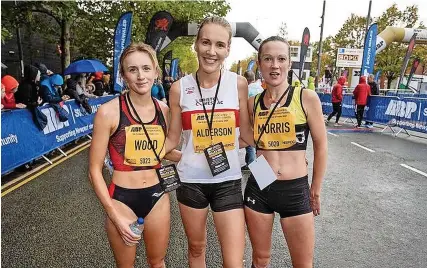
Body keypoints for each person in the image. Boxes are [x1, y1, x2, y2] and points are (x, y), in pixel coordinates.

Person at [165, 17, 253, 268]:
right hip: (191, 182)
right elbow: (173, 138)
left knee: (234, 260)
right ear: (196, 45)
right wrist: (144, 157)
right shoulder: (179, 88)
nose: (211, 51)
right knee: (196, 249)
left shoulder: (238, 84)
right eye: (205, 42)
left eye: (219, 45)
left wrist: (284, 153)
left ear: (227, 50)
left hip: (228, 181)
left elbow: (247, 136)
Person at [89, 42, 181, 268]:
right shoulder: (108, 112)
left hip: (158, 196)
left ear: (156, 71)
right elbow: (94, 169)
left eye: (146, 68)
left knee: (158, 262)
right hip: (122, 200)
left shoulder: (164, 110)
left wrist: (200, 155)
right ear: (123, 75)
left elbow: (160, 152)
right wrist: (113, 214)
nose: (141, 76)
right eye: (133, 70)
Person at [245, 36, 327, 268]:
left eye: (281, 59)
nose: (275, 65)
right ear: (259, 63)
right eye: (268, 59)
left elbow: (321, 146)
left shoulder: (306, 98)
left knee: (302, 263)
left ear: (289, 64)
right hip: (260, 185)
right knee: (260, 260)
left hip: (295, 189)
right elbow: (246, 138)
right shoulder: (252, 103)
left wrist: (316, 188)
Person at [243, 70, 263, 170]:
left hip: (251, 118)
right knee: (260, 144)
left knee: (249, 143)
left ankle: (251, 165)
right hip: (262, 119)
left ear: (246, 79)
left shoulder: (246, 89)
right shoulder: (260, 88)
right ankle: (259, 168)